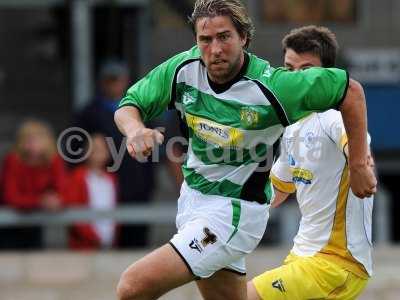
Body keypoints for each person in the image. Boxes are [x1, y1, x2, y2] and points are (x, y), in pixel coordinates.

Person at [114, 1, 376, 299]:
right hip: (192, 202)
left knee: (133, 286)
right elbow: (128, 106)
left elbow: (351, 92)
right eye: (205, 39)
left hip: (233, 214)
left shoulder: (274, 87)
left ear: (244, 38)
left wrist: (358, 165)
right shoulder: (182, 69)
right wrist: (135, 130)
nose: (214, 49)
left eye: (224, 37)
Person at [247, 25, 374, 300]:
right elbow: (278, 188)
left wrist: (362, 167)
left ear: (327, 75)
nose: (295, 78)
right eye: (289, 69)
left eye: (306, 70)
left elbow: (358, 144)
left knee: (245, 296)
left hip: (337, 263)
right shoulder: (293, 126)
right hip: (301, 257)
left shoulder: (334, 117)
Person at [75, 59, 154, 248]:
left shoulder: (142, 110)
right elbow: (77, 149)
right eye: (110, 80)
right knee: (103, 237)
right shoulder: (89, 113)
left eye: (118, 79)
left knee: (136, 242)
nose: (114, 84)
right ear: (102, 82)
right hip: (104, 187)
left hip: (137, 186)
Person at [0, 119, 68, 249]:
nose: (32, 144)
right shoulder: (13, 160)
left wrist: (56, 200)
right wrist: (40, 201)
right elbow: (11, 197)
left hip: (36, 223)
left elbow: (63, 190)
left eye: (37, 140)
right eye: (28, 140)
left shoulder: (53, 160)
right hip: (10, 223)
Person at [66, 133, 119, 250]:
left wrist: (110, 238)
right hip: (85, 246)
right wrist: (94, 238)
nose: (98, 153)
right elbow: (76, 211)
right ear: (86, 151)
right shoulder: (78, 177)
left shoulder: (111, 178)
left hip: (109, 242)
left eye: (102, 149)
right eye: (94, 149)